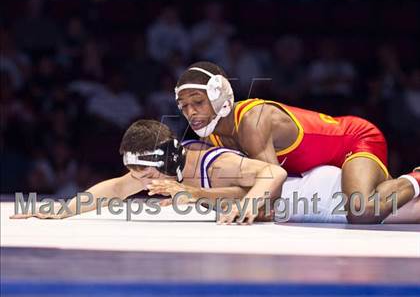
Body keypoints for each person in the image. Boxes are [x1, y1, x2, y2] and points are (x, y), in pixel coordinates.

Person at [11, 120, 419, 224]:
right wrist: (58, 211)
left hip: (318, 196)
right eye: (134, 171)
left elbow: (272, 178)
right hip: (303, 212)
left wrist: (199, 197)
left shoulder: (210, 162)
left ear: (166, 159)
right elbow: (111, 190)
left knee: (373, 208)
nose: (139, 180)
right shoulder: (157, 170)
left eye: (143, 172)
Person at [174, 61, 420, 224]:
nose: (191, 112)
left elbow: (270, 196)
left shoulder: (252, 121)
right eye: (184, 106)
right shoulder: (211, 134)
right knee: (393, 207)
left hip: (356, 139)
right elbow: (249, 189)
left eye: (198, 102)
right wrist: (200, 195)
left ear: (220, 96)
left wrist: (208, 197)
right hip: (325, 161)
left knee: (363, 211)